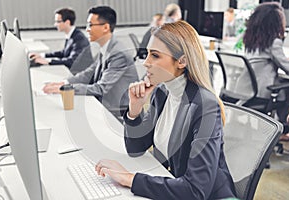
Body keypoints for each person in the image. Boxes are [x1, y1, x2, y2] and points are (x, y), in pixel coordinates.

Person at [95, 21, 236, 199]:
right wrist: (135, 110)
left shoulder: (205, 106)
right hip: (173, 184)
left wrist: (130, 179)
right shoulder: (162, 91)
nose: (146, 63)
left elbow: (195, 191)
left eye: (155, 55)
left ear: (182, 61)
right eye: (147, 54)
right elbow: (136, 148)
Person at [43, 6, 139, 115]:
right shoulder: (106, 47)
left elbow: (101, 88)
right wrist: (65, 82)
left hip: (118, 111)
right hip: (104, 104)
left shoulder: (118, 54)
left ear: (106, 27)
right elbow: (89, 72)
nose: (87, 29)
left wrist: (67, 88)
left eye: (90, 25)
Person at [240, 2, 289, 140]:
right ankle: (284, 127)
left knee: (285, 87)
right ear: (274, 23)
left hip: (246, 91)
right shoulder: (274, 42)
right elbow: (288, 68)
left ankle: (282, 128)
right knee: (288, 88)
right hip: (263, 93)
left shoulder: (251, 40)